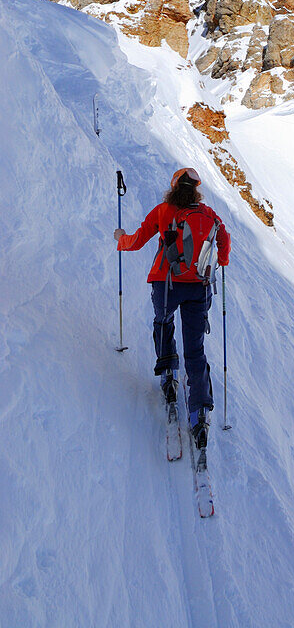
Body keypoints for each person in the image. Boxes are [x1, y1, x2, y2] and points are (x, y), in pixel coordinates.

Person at [114, 167, 231, 446]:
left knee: (163, 322)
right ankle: (199, 412)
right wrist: (221, 261)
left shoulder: (163, 211)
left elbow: (137, 241)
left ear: (174, 186)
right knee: (195, 349)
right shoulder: (208, 214)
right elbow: (224, 239)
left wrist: (120, 239)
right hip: (199, 287)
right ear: (196, 190)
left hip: (166, 284)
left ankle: (169, 374)